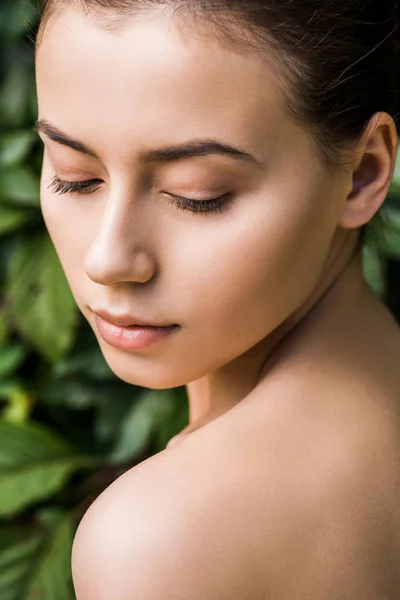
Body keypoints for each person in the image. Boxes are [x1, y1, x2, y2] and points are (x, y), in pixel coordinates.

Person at [34, 0, 400, 597]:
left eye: (196, 195)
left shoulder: (165, 538)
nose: (108, 259)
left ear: (362, 172)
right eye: (75, 175)